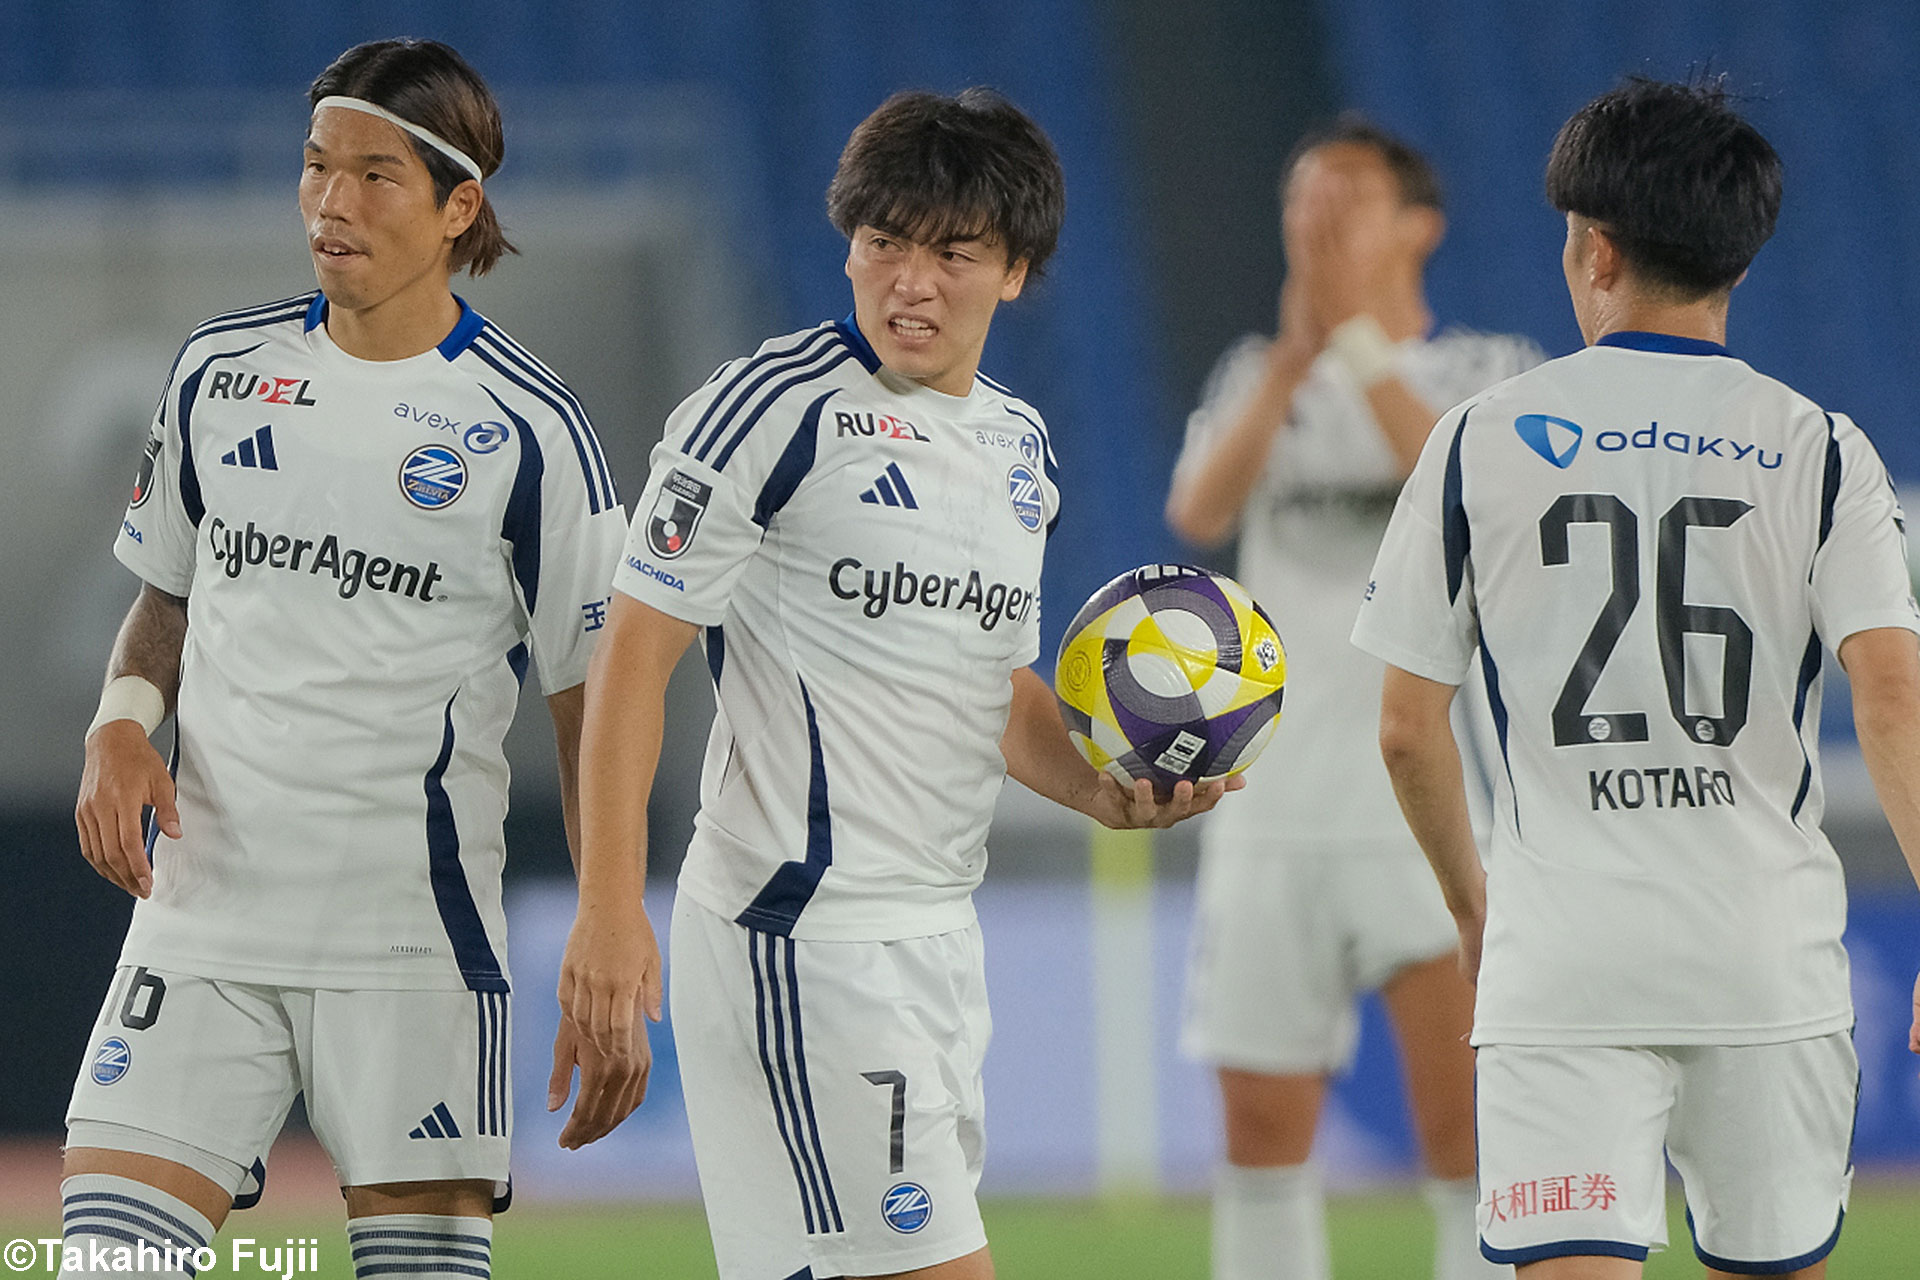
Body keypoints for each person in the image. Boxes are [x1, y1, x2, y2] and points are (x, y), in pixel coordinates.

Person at [545, 87, 1230, 1280]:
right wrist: (608, 906)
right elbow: (632, 657)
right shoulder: (769, 411)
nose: (910, 283)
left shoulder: (1020, 448)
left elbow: (990, 682)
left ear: (1015, 270)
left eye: (952, 253)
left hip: (935, 935)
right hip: (804, 933)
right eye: (883, 244)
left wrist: (1102, 789)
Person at [62, 38, 626, 1280]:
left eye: (375, 175)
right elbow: (167, 594)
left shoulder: (533, 429)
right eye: (317, 165)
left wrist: (607, 917)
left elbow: (594, 702)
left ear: (459, 206)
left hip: (411, 945)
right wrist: (121, 718)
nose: (331, 201)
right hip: (203, 917)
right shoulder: (220, 372)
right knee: (105, 1260)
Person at [1353, 78, 1920, 1277]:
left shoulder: (1477, 438)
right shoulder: (1822, 448)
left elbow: (1407, 727)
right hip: (1765, 954)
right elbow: (1891, 694)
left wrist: (1472, 905)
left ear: (1597, 249)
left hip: (1564, 956)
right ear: (1738, 261)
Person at [1164, 115, 1537, 1280]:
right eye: (1300, 200)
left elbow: (1467, 485)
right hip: (1268, 806)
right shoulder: (1256, 374)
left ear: (1419, 226)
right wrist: (1294, 356)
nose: (1315, 222)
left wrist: (1362, 345)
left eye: (1347, 200)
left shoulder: (1486, 371)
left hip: (1425, 806)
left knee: (1464, 1135)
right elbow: (1199, 510)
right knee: (1260, 1141)